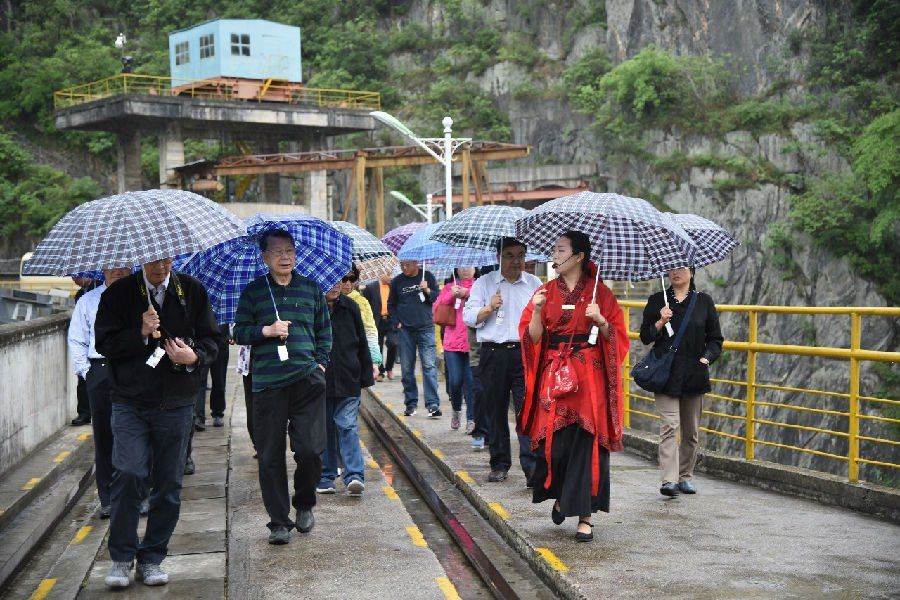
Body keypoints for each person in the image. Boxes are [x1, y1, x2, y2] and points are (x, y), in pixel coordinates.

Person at [94, 258, 221, 587]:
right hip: (130, 402)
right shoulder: (119, 293)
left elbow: (212, 341)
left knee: (168, 485)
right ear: (142, 257)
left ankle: (152, 557)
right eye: (154, 259)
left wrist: (193, 358)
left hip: (177, 402)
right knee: (129, 473)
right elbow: (104, 344)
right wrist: (139, 331)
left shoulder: (190, 290)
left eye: (167, 258)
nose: (161, 265)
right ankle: (122, 557)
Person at [518, 231, 629, 542]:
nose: (554, 255)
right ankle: (560, 496)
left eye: (561, 250)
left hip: (588, 380)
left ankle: (585, 517)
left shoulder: (602, 295)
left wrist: (602, 321)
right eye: (554, 250)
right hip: (553, 376)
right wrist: (538, 311)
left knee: (585, 445)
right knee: (556, 448)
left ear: (579, 257)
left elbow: (617, 341)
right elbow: (533, 339)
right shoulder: (544, 291)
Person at [233, 230, 331, 546]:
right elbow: (240, 332)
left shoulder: (311, 289)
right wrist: (267, 330)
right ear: (264, 257)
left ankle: (304, 503)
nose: (285, 256)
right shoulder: (253, 292)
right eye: (277, 252)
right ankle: (278, 521)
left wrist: (320, 363)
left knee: (310, 450)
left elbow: (324, 332)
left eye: (289, 250)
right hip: (267, 385)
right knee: (270, 455)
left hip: (307, 380)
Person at [639, 266, 723, 497]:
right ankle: (669, 480)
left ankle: (685, 476)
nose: (676, 272)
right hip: (665, 375)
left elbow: (715, 338)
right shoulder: (658, 300)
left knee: (690, 431)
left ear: (692, 272)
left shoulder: (704, 301)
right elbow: (645, 336)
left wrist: (707, 358)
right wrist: (659, 321)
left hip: (694, 374)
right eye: (672, 268)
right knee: (669, 426)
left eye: (682, 268)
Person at [463, 238, 541, 484]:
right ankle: (499, 463)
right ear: (499, 257)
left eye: (520, 255)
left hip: (524, 353)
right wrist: (489, 308)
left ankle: (531, 467)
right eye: (509, 255)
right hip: (493, 353)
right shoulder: (484, 283)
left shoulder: (534, 284)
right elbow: (469, 317)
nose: (516, 261)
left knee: (526, 411)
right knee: (495, 410)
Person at [68, 267, 133, 518]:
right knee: (105, 436)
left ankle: (138, 494)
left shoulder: (141, 299)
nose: (118, 271)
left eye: (123, 265)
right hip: (101, 370)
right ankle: (107, 498)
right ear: (103, 269)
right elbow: (77, 339)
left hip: (133, 370)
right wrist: (88, 372)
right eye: (112, 265)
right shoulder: (88, 300)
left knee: (135, 432)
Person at [317, 279, 375, 496]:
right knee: (325, 429)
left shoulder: (351, 307)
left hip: (349, 378)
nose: (334, 285)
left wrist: (366, 375)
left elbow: (361, 342)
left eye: (339, 281)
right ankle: (326, 475)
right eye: (329, 281)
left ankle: (354, 476)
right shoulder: (313, 308)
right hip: (320, 380)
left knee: (347, 425)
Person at [388, 260, 441, 418]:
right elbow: (391, 304)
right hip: (405, 330)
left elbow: (437, 298)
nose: (404, 268)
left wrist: (427, 290)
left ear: (416, 264)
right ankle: (411, 403)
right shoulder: (397, 281)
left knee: (429, 366)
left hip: (426, 328)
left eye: (408, 265)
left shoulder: (428, 276)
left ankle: (432, 404)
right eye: (402, 265)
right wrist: (395, 322)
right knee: (406, 369)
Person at [433, 267, 476, 431]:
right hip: (452, 343)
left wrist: (466, 293)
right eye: (462, 266)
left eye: (469, 266)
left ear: (475, 268)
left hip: (473, 343)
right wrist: (452, 294)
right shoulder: (449, 286)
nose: (466, 269)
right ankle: (456, 410)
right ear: (456, 269)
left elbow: (486, 303)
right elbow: (436, 309)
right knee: (455, 381)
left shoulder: (479, 286)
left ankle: (471, 419)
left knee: (471, 382)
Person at [341, 266, 382, 380]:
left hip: (353, 359)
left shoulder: (362, 302)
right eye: (344, 278)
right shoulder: (322, 299)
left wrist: (374, 360)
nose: (348, 283)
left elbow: (370, 330)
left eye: (352, 278)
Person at [70, 276, 101, 425]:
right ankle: (84, 412)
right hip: (91, 351)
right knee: (83, 382)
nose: (74, 279)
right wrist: (84, 369)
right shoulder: (82, 297)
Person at [361, 272, 398, 380]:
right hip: (377, 320)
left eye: (391, 274)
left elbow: (398, 303)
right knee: (378, 345)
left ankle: (389, 367)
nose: (390, 277)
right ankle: (380, 371)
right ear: (381, 274)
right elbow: (365, 303)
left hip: (391, 320)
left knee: (394, 343)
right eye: (387, 274)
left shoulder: (393, 287)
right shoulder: (370, 287)